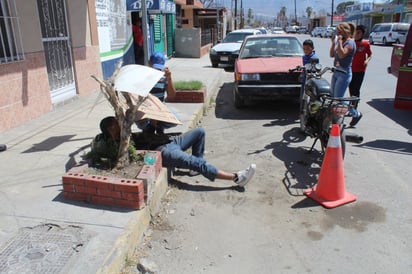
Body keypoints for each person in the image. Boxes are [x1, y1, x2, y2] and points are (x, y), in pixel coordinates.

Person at [93, 116, 256, 187]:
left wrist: (153, 124)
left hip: (170, 141)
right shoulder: (120, 144)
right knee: (197, 163)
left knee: (200, 131)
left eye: (118, 122)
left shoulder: (126, 133)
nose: (120, 124)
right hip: (163, 151)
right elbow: (135, 156)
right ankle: (236, 177)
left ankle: (194, 169)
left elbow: (146, 135)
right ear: (109, 129)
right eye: (115, 124)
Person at [136, 52, 178, 135]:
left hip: (160, 109)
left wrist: (169, 78)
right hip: (146, 109)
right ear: (149, 63)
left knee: (175, 120)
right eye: (155, 67)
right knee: (140, 122)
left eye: (159, 68)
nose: (157, 70)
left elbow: (172, 96)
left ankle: (158, 126)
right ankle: (149, 128)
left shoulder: (164, 78)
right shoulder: (143, 77)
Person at [329, 22, 362, 127]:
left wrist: (338, 42)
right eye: (337, 32)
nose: (338, 34)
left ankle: (355, 113)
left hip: (344, 73)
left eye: (339, 32)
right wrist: (333, 43)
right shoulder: (341, 42)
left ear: (345, 32)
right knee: (334, 97)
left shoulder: (350, 43)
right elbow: (331, 55)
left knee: (339, 98)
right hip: (336, 71)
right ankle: (335, 118)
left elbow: (342, 55)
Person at [349, 25, 372, 126]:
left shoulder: (365, 44)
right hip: (350, 70)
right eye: (355, 32)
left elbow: (370, 54)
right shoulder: (351, 43)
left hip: (360, 70)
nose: (356, 34)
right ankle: (352, 107)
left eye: (358, 33)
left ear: (362, 34)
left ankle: (354, 110)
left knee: (356, 90)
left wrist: (367, 60)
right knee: (351, 89)